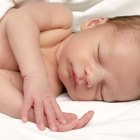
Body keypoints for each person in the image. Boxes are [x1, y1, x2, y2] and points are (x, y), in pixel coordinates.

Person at [0, 1, 140, 132]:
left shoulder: (48, 87)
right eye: (99, 57)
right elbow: (18, 19)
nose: (90, 78)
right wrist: (34, 75)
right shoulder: (61, 21)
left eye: (102, 90)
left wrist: (35, 114)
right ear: (94, 23)